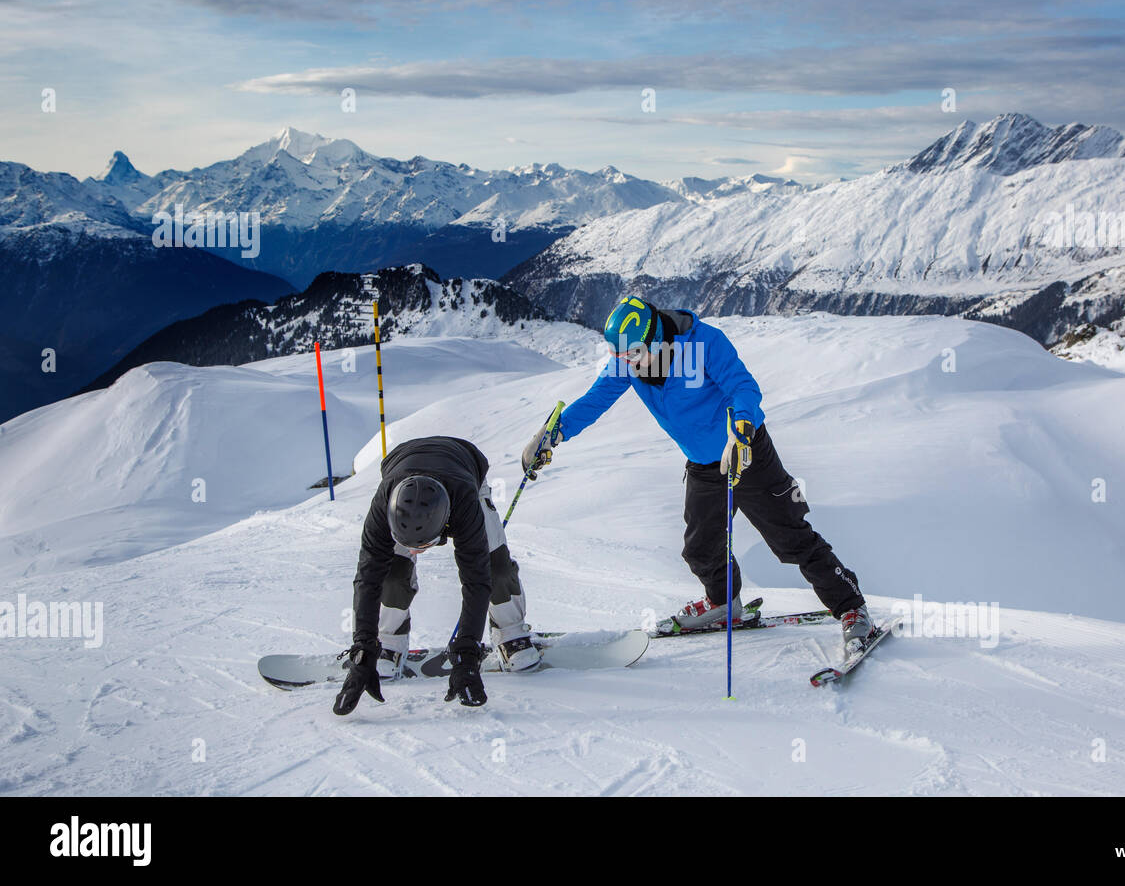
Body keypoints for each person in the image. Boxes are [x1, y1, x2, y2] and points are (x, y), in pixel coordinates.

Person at [520, 295, 874, 650]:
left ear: (655, 340)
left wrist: (741, 430)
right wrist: (554, 433)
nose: (626, 364)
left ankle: (851, 607)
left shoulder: (705, 343)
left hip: (745, 454)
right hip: (704, 466)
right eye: (621, 357)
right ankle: (724, 605)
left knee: (790, 538)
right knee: (701, 548)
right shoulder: (629, 360)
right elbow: (596, 400)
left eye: (632, 355)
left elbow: (743, 387)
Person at [333, 436, 537, 715]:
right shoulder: (384, 506)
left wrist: (467, 655)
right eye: (408, 545)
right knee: (392, 573)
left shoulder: (465, 506)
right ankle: (388, 640)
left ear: (446, 527)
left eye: (423, 546)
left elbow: (476, 581)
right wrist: (363, 650)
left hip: (465, 471)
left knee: (495, 566)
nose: (416, 552)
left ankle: (510, 633)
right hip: (401, 468)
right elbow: (367, 579)